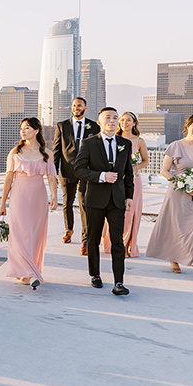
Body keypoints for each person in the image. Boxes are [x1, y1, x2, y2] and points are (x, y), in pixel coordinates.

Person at [146, 114, 193, 282]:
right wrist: (182, 184)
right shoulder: (175, 146)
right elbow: (165, 171)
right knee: (176, 227)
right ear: (188, 126)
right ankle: (174, 258)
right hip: (177, 194)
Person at [74, 107, 134, 295]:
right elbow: (79, 169)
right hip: (95, 199)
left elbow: (128, 173)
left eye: (115, 117)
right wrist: (101, 176)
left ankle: (119, 282)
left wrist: (129, 196)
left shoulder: (125, 143)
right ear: (99, 122)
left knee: (117, 242)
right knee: (93, 239)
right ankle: (95, 275)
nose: (112, 120)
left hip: (116, 200)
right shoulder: (89, 143)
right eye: (108, 117)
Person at [0, 118, 58, 289]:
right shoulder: (15, 152)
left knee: (35, 234)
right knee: (20, 233)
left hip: (39, 197)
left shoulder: (46, 153)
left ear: (36, 130)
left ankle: (29, 270)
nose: (23, 131)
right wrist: (3, 203)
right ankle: (29, 273)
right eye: (21, 128)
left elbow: (52, 178)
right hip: (19, 196)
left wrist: (54, 197)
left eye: (27, 128)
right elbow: (8, 179)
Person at [52, 97, 98, 254]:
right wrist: (54, 172)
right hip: (67, 170)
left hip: (86, 171)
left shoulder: (94, 126)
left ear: (85, 107)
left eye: (79, 105)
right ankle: (69, 230)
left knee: (84, 204)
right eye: (73, 105)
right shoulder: (62, 125)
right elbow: (56, 150)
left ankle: (85, 241)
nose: (76, 108)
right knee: (67, 203)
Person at [102, 112, 149, 258]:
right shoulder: (113, 138)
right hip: (114, 180)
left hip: (134, 180)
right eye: (122, 120)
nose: (125, 122)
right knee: (113, 210)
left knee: (130, 214)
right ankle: (111, 243)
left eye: (129, 120)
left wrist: (134, 167)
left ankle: (126, 245)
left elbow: (145, 161)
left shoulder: (139, 141)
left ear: (134, 123)